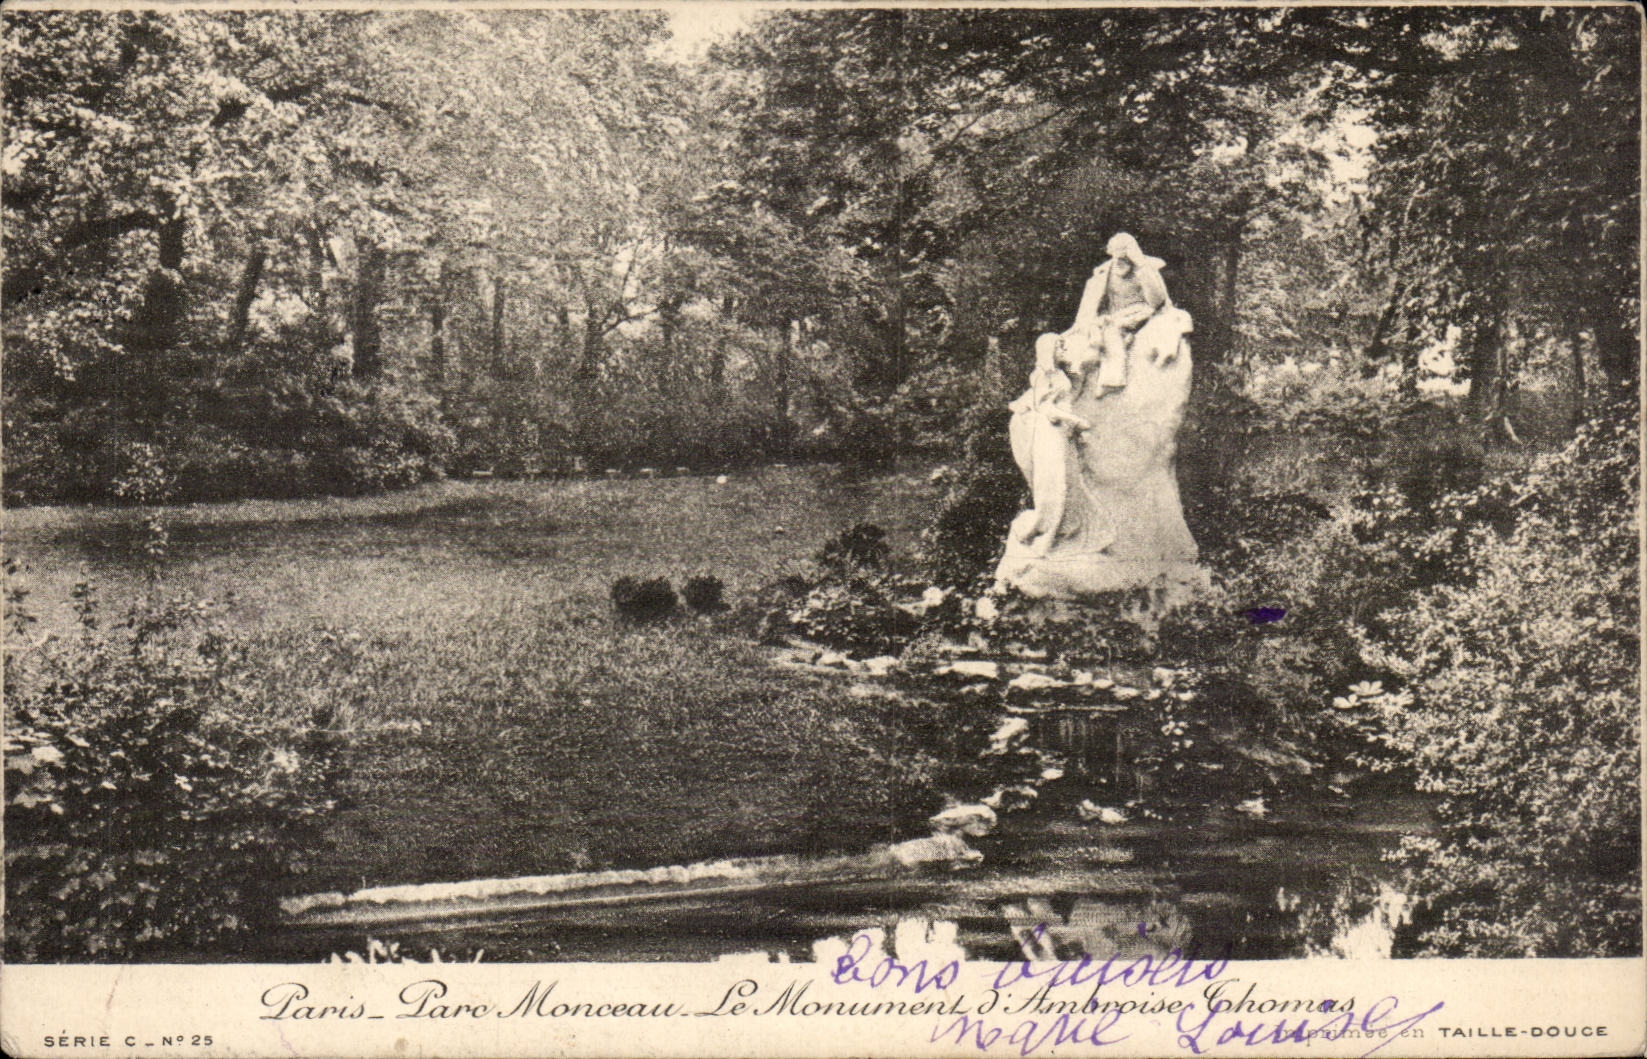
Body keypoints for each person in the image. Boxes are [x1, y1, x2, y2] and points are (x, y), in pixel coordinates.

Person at [1007, 332, 1093, 557]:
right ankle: (1044, 535)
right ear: (1048, 350)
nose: (1063, 351)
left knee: (1068, 481)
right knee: (1053, 483)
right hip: (1048, 433)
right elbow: (1045, 409)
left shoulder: (1059, 373)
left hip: (1062, 433)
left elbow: (1069, 397)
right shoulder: (1042, 375)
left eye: (1063, 347)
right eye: (1059, 347)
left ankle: (1065, 532)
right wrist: (1076, 422)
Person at [1066, 233, 1171, 392]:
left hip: (1138, 317)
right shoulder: (1104, 272)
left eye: (1125, 257)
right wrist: (1085, 323)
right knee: (1083, 338)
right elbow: (1089, 305)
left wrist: (1142, 267)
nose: (1120, 261)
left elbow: (1157, 301)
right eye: (1117, 256)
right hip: (1109, 316)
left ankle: (1113, 380)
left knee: (1112, 333)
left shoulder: (1146, 270)